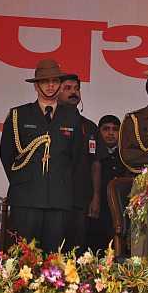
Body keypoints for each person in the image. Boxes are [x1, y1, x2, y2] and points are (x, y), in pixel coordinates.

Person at [0, 59, 82, 252]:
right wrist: (25, 181)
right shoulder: (18, 115)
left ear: (60, 84)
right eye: (45, 81)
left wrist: (61, 184)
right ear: (36, 85)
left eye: (55, 81)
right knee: (22, 259)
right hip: (26, 199)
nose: (51, 85)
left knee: (54, 262)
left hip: (59, 200)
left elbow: (77, 159)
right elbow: (7, 156)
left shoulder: (72, 116)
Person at [58, 73, 102, 251]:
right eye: (67, 88)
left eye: (76, 88)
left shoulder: (89, 126)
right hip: (54, 199)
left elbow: (96, 164)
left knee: (78, 249)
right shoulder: (49, 123)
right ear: (57, 92)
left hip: (81, 199)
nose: (73, 92)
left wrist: (96, 197)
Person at [88, 115, 134, 251]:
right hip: (97, 209)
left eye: (115, 129)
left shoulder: (126, 156)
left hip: (121, 210)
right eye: (106, 129)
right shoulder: (91, 155)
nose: (110, 133)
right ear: (98, 132)